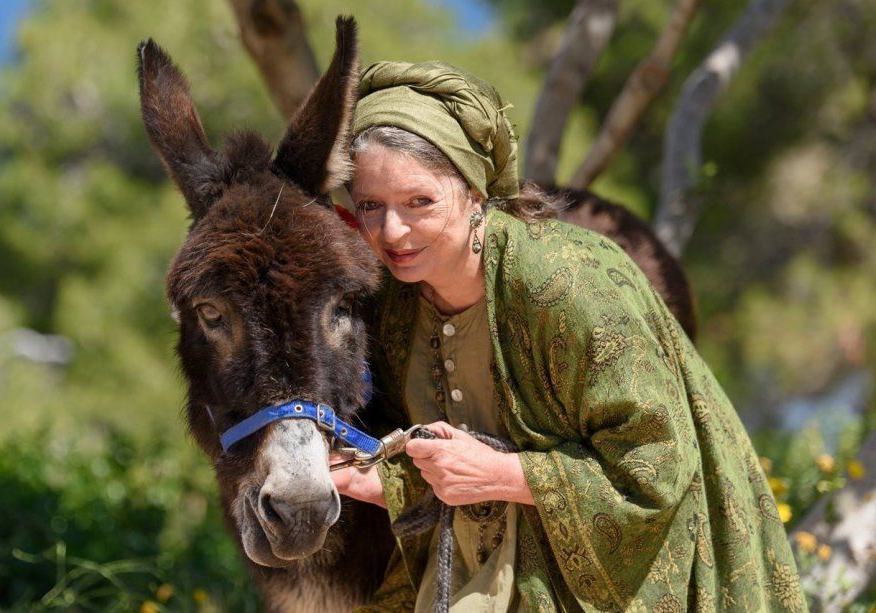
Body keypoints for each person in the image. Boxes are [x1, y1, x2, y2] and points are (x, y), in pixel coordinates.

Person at [330, 60, 806, 612]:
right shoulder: (395, 304)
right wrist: (372, 479)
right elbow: (454, 461)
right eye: (371, 206)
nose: (392, 232)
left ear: (474, 192)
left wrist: (505, 474)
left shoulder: (568, 283)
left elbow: (656, 467)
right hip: (480, 578)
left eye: (420, 202)